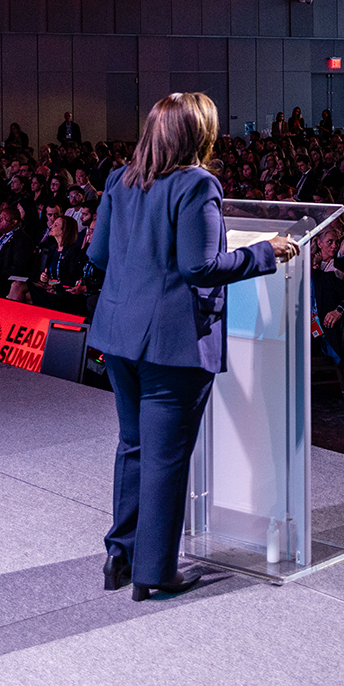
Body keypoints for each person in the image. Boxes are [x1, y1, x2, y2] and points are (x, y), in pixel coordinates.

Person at [83, 92, 296, 601]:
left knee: (133, 447)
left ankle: (123, 554)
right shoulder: (198, 184)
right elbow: (198, 268)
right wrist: (266, 252)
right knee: (166, 458)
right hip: (171, 346)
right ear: (197, 134)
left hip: (118, 336)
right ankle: (154, 571)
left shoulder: (121, 179)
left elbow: (97, 253)